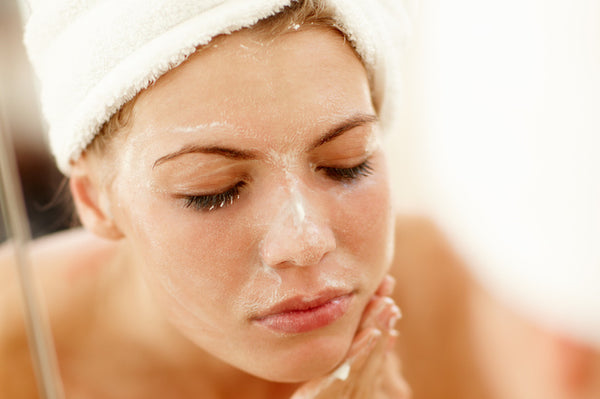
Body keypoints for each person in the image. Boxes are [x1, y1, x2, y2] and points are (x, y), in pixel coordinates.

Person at [0, 0, 411, 398]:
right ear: (93, 200)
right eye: (213, 193)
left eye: (348, 163)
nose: (305, 243)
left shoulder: (435, 293)